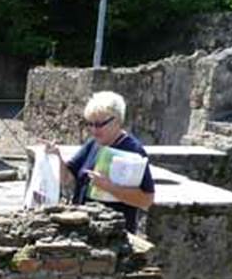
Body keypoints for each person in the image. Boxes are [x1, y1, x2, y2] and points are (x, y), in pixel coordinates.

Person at [45, 91, 155, 233]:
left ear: (117, 121)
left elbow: (146, 200)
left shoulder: (133, 150)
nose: (94, 130)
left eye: (99, 124)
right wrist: (56, 157)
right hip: (84, 229)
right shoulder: (94, 144)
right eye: (90, 124)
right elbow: (68, 178)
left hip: (113, 235)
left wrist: (109, 187)